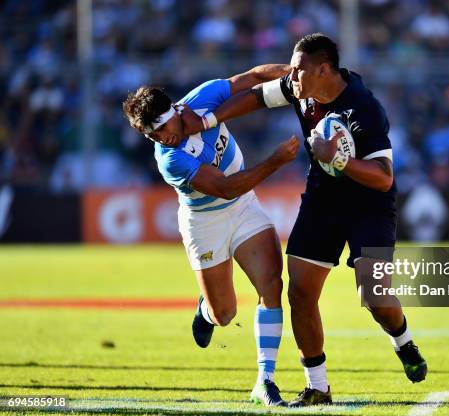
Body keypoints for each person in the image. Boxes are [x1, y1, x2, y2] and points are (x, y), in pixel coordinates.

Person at [195, 33, 427, 407]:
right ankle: (318, 387)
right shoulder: (298, 87)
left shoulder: (364, 107)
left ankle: (403, 341)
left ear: (324, 69)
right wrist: (208, 120)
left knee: (375, 297)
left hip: (370, 203)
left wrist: (337, 159)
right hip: (323, 199)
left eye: (300, 68)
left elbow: (384, 175)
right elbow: (255, 97)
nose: (292, 74)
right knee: (300, 293)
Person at [122, 64, 299, 407]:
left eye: (161, 128)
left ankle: (265, 380)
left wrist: (293, 71)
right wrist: (275, 162)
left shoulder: (201, 99)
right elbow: (226, 188)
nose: (162, 138)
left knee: (272, 286)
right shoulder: (170, 159)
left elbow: (249, 79)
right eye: (152, 136)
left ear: (174, 110)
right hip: (206, 224)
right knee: (225, 314)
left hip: (244, 208)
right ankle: (206, 312)